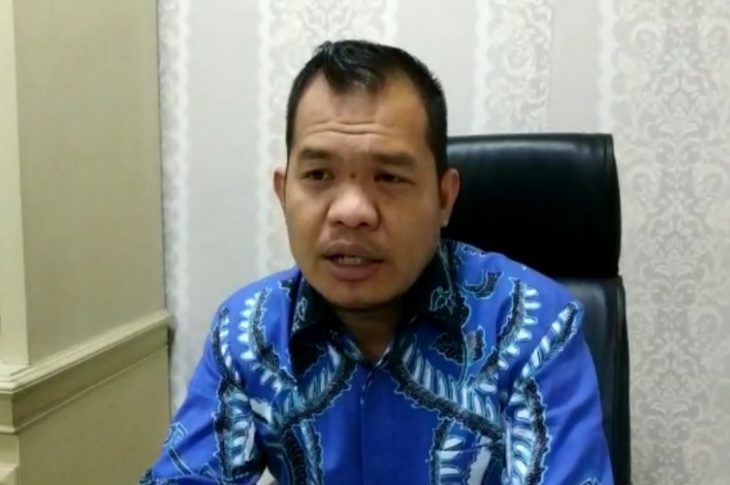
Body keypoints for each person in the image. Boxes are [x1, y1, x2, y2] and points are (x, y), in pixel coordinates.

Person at [142, 39, 613, 485]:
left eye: (388, 177)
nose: (352, 211)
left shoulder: (532, 327)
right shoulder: (247, 332)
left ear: (444, 198)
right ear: (284, 194)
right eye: (319, 174)